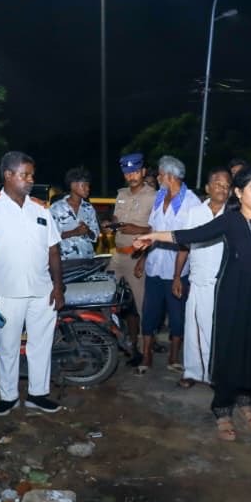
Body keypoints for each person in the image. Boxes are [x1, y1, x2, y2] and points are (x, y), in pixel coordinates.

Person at [136, 167, 251, 441]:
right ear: (239, 193)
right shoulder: (230, 221)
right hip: (232, 294)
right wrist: (152, 237)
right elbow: (189, 235)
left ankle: (246, 400)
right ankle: (222, 408)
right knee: (229, 349)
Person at [0, 151, 64, 416]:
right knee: (8, 347)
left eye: (32, 175)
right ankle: (8, 396)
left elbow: (54, 251)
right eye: (25, 175)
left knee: (40, 346)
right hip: (6, 294)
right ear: (8, 175)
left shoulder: (40, 208)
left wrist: (58, 287)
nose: (30, 180)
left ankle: (38, 394)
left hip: (42, 293)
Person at [135, 155, 199, 375]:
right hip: (155, 265)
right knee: (149, 312)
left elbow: (187, 241)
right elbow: (152, 231)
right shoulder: (160, 195)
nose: (158, 178)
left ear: (170, 176)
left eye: (160, 174)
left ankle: (173, 356)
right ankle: (147, 355)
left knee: (177, 315)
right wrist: (142, 259)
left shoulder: (191, 202)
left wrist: (177, 277)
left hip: (177, 270)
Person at [173, 169, 231, 388]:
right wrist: (177, 276)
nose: (222, 189)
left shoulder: (232, 215)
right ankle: (192, 372)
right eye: (217, 183)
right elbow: (183, 246)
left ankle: (214, 373)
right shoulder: (194, 213)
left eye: (226, 186)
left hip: (222, 282)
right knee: (194, 327)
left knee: (216, 329)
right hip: (197, 279)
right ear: (207, 188)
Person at [103, 153, 156, 357]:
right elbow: (117, 216)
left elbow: (157, 229)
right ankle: (113, 341)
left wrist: (138, 231)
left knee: (143, 307)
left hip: (138, 256)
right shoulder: (122, 194)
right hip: (118, 256)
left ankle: (145, 353)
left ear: (142, 171)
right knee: (104, 296)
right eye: (127, 172)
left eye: (135, 171)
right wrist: (111, 224)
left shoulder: (153, 196)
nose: (131, 175)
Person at [50, 166, 100, 260]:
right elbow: (51, 236)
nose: (88, 189)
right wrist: (75, 232)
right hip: (66, 261)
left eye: (88, 185)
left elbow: (95, 237)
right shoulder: (56, 208)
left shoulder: (89, 208)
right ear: (73, 185)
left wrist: (88, 231)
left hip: (87, 259)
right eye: (84, 185)